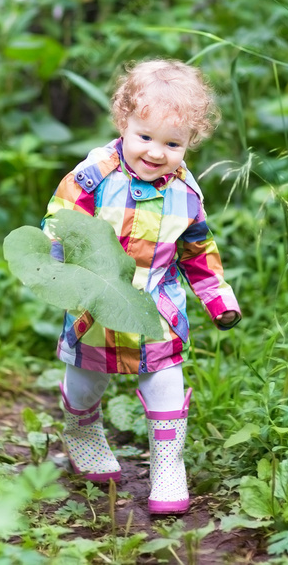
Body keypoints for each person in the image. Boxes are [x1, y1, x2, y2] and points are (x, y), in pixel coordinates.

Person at [41, 58, 242, 514]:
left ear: (192, 141)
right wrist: (57, 269)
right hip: (97, 302)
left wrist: (218, 300)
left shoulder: (186, 194)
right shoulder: (94, 176)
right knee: (87, 377)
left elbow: (197, 250)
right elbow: (60, 222)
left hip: (158, 307)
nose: (155, 152)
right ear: (124, 122)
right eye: (145, 137)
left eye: (172, 143)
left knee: (166, 381)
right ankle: (83, 432)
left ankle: (168, 464)